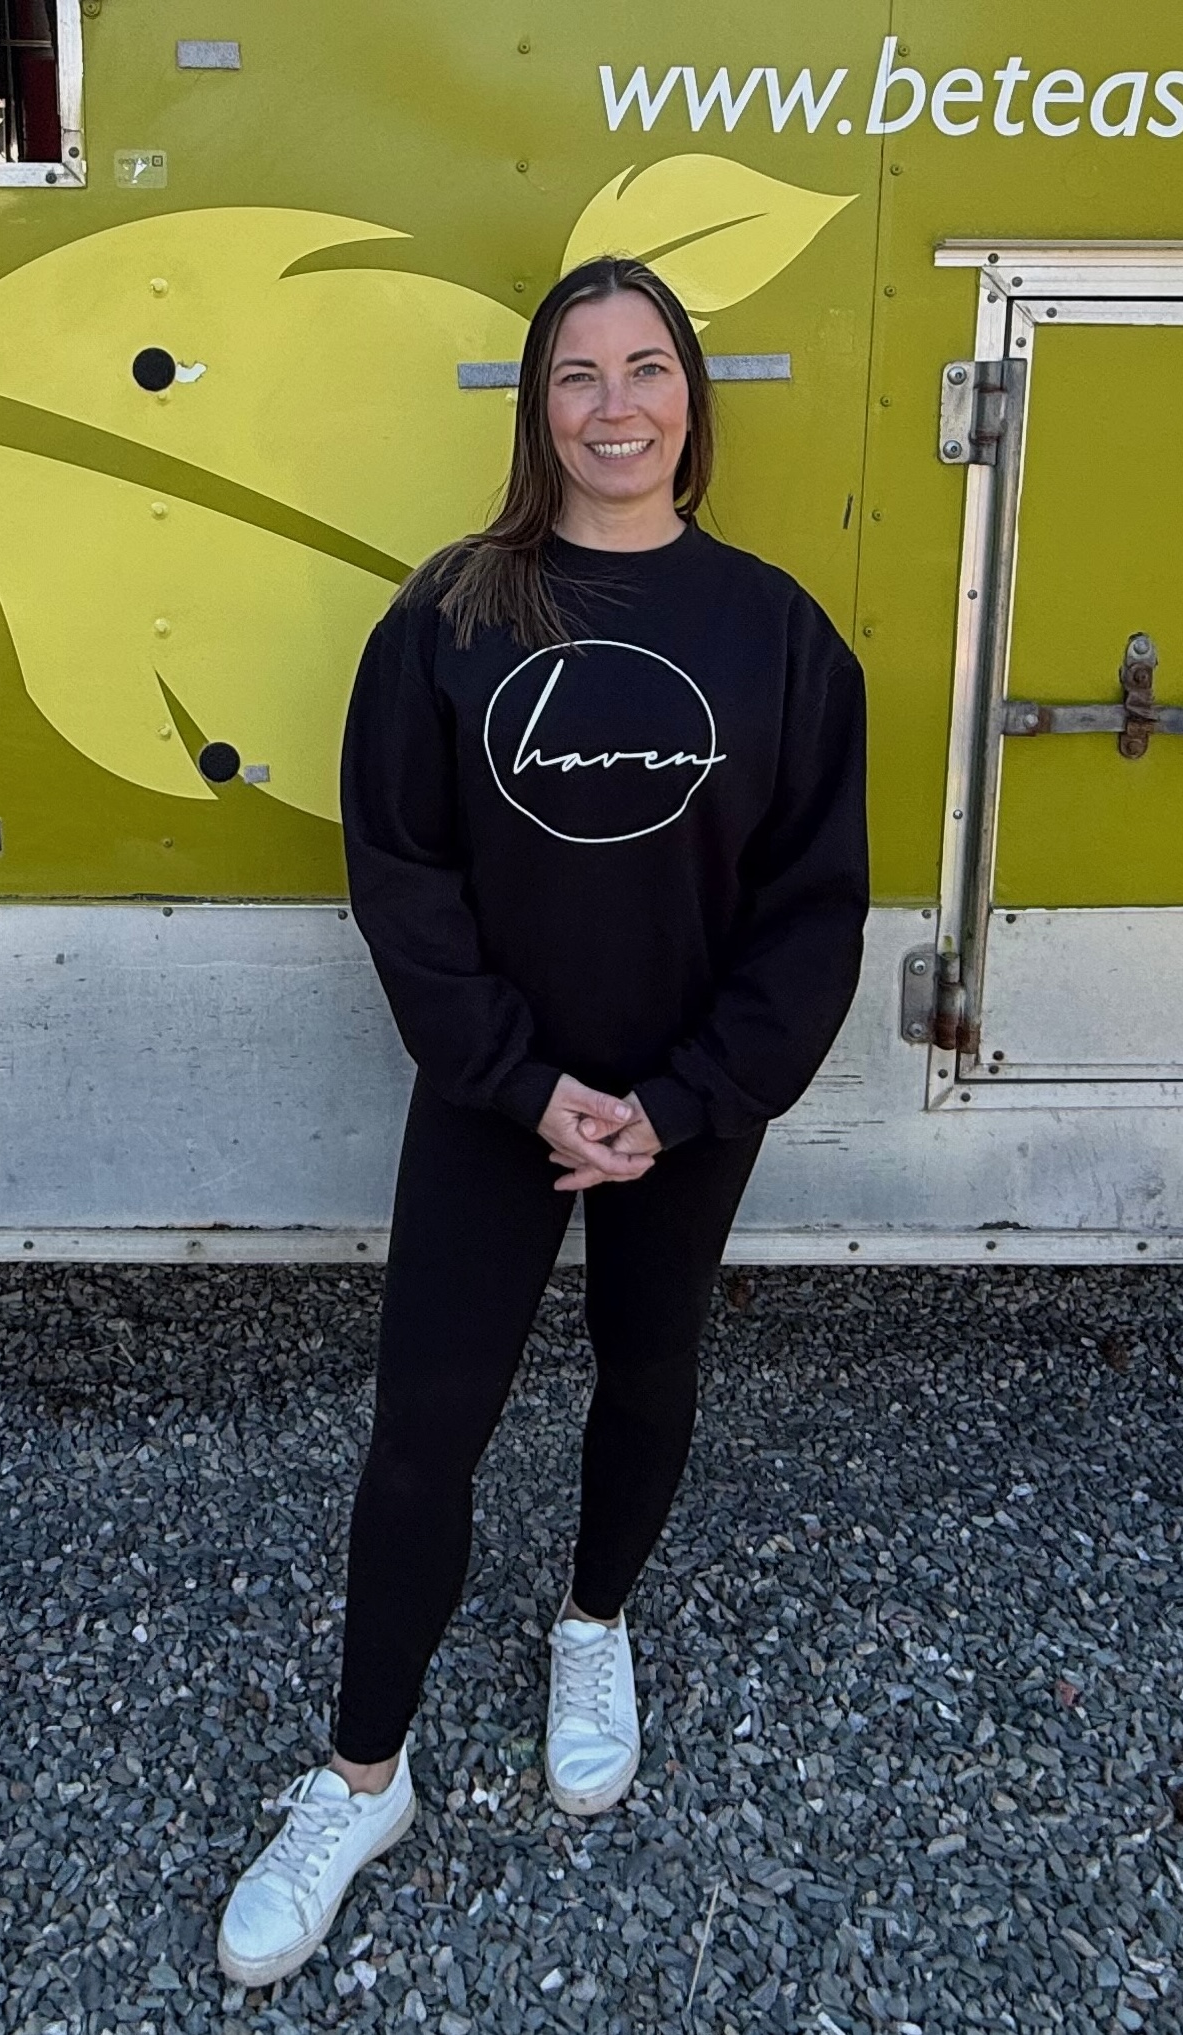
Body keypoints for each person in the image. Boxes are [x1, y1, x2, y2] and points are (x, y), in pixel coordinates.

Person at [215, 254, 871, 1988]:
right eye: (577, 374)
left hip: (682, 1112)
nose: (614, 405)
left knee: (649, 1374)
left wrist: (678, 1100)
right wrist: (523, 1083)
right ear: (537, 410)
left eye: (646, 367)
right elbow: (403, 877)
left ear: (690, 399)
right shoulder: (451, 618)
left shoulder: (777, 632)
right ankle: (362, 1781)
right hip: (494, 1101)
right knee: (424, 1431)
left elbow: (812, 912)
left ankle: (592, 1622)